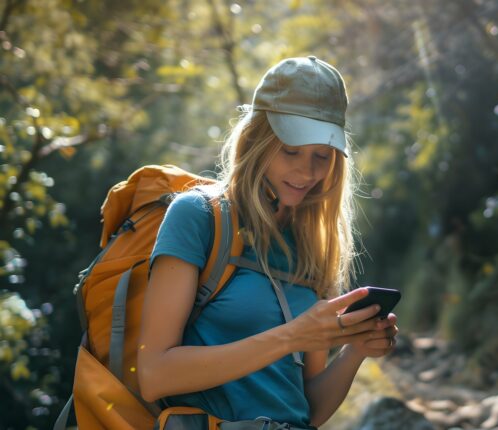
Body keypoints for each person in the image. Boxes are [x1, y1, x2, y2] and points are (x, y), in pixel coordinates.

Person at [137, 56, 398, 429]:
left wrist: (356, 350)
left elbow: (305, 410)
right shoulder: (197, 216)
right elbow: (154, 376)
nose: (307, 172)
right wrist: (292, 337)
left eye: (321, 156)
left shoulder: (312, 247)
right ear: (257, 139)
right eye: (291, 150)